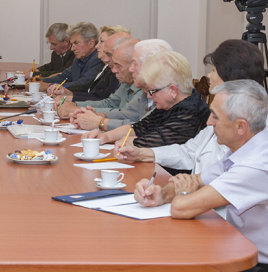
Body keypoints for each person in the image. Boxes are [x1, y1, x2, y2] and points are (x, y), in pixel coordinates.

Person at [134, 80, 268, 271]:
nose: (208, 122)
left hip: (253, 264)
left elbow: (182, 208)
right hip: (235, 246)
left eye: (215, 117)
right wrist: (160, 194)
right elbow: (197, 181)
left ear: (241, 127)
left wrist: (183, 194)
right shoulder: (245, 147)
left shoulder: (256, 165)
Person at [117, 40, 265, 174]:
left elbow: (224, 181)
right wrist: (141, 153)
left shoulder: (252, 126)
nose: (208, 76)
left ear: (229, 77)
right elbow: (188, 152)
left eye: (213, 70)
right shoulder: (224, 111)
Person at [84, 50, 210, 152]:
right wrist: (105, 136)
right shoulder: (169, 104)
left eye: (152, 91)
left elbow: (156, 142)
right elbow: (138, 127)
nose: (149, 96)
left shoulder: (189, 112)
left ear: (173, 90)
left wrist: (129, 141)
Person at [67, 37, 148, 131]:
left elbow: (135, 120)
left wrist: (99, 121)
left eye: (118, 66)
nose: (113, 70)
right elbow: (113, 104)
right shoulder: (127, 81)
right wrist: (95, 114)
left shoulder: (146, 88)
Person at [43, 22, 104, 92]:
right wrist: (41, 81)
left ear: (91, 43)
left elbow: (82, 84)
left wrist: (48, 86)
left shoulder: (98, 59)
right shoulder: (78, 59)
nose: (72, 49)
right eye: (72, 44)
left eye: (76, 43)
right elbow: (64, 76)